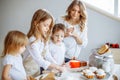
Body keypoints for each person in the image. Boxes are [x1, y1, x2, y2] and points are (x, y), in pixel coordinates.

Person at [23, 9, 63, 77]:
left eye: (49, 26)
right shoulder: (32, 40)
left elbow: (47, 55)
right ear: (36, 23)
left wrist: (57, 65)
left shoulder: (44, 39)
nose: (47, 28)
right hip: (26, 72)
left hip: (36, 71)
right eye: (45, 25)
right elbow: (39, 60)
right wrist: (56, 67)